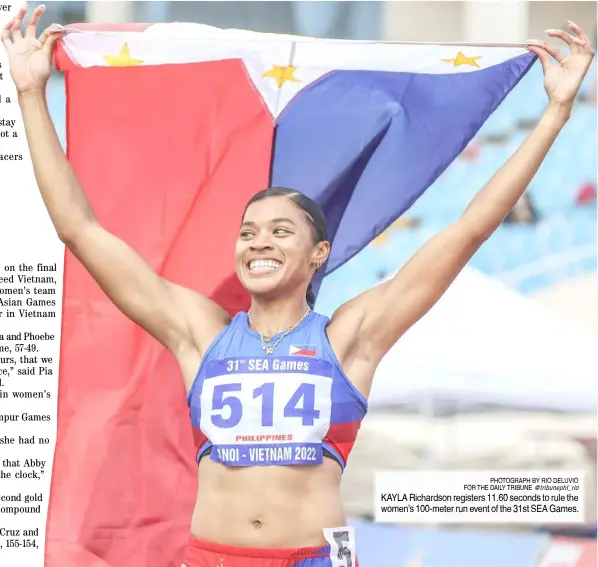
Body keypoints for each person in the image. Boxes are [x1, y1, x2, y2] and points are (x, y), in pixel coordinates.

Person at [2, 6, 595, 567]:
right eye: (248, 232)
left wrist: (555, 115)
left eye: (280, 231)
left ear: (319, 255)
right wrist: (30, 94)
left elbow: (467, 230)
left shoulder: (351, 337)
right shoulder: (199, 332)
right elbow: (79, 230)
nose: (259, 242)